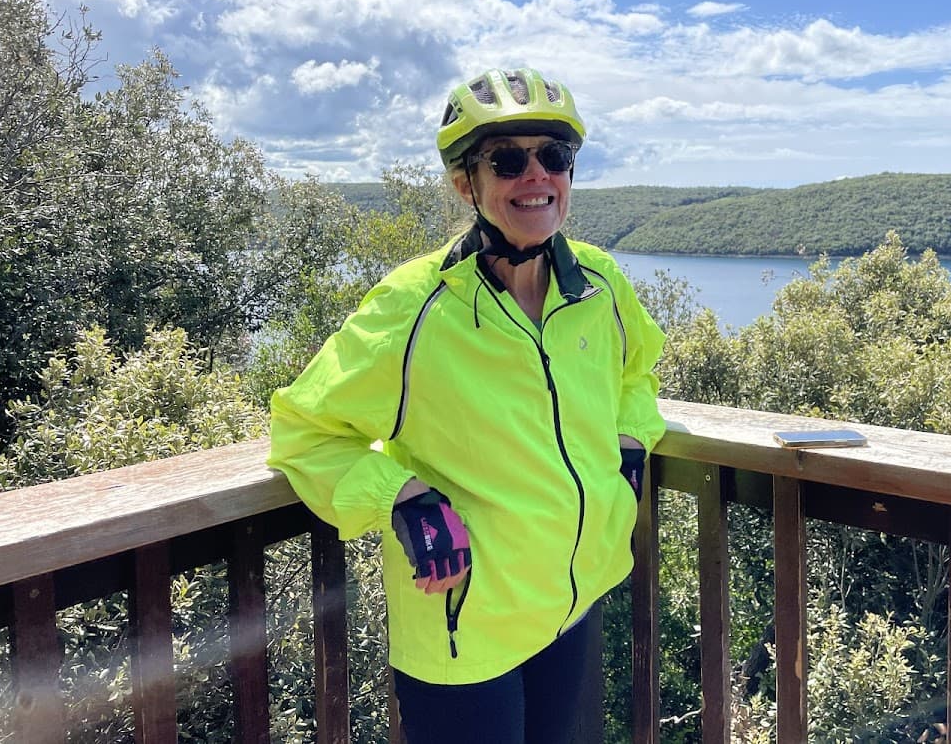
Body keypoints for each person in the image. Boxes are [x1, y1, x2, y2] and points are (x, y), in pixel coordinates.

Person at [268, 67, 666, 744]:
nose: (536, 176)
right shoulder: (414, 309)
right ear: (466, 185)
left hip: (572, 602)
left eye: (555, 157)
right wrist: (399, 494)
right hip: (463, 627)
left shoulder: (600, 285)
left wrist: (629, 444)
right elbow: (303, 432)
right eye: (508, 160)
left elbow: (638, 374)